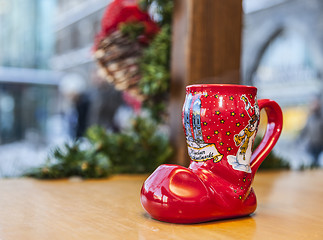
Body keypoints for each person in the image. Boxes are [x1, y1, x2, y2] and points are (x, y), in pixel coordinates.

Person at [301, 96, 323, 168]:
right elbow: (304, 131)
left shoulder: (321, 118)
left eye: (316, 104)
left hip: (320, 145)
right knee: (313, 162)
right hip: (312, 145)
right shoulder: (310, 119)